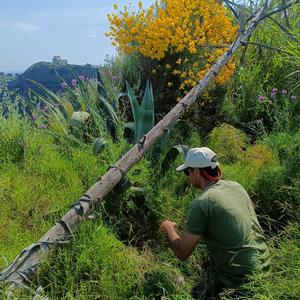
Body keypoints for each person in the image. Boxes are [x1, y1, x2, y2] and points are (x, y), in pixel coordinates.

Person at [160, 147, 270, 299]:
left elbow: (182, 252)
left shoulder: (202, 203)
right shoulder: (236, 187)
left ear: (197, 172)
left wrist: (168, 228)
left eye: (187, 172)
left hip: (239, 279)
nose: (187, 177)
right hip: (265, 268)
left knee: (196, 294)